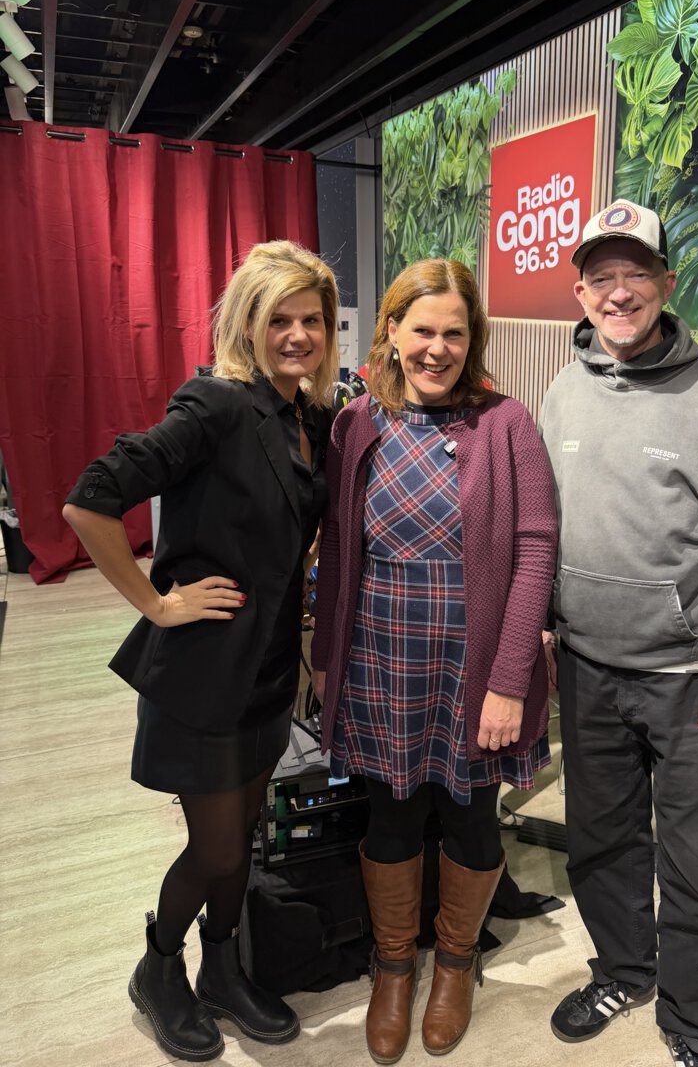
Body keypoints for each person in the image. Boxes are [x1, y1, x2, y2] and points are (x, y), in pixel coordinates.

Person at [63, 241, 340, 1063]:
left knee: (245, 831)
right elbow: (89, 501)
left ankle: (223, 969)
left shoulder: (309, 418)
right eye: (279, 319)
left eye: (312, 320)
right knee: (216, 847)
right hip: (202, 670)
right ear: (248, 324)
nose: (297, 335)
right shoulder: (215, 404)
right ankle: (159, 969)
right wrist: (156, 603)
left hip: (268, 667)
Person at [539, 200, 698, 1067]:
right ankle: (624, 971)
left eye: (636, 273)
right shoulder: (563, 391)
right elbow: (546, 531)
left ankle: (691, 1025)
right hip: (589, 672)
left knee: (694, 866)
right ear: (581, 293)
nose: (619, 292)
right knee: (601, 845)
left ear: (666, 283)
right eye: (602, 278)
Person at [311, 258, 557, 1064]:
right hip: (381, 653)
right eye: (422, 330)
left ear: (471, 339)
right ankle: (393, 966)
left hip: (472, 663)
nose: (437, 349)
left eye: (454, 333)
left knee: (469, 815)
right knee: (388, 812)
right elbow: (337, 547)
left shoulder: (507, 424)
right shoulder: (357, 424)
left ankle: (454, 962)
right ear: (391, 331)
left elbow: (535, 554)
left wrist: (509, 680)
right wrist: (324, 656)